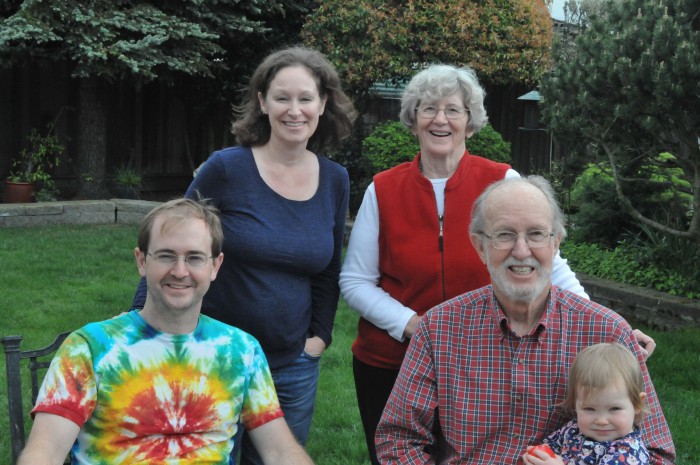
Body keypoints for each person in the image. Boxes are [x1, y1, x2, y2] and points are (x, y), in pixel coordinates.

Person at [339, 63, 656, 465]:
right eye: (428, 108)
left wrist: (613, 329)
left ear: (470, 122)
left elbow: (545, 260)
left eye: (453, 110)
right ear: (412, 118)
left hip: (481, 355)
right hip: (389, 358)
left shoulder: (502, 180)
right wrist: (414, 326)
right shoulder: (383, 188)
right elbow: (355, 281)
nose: (441, 119)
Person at [131, 46, 356, 465]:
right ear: (262, 102)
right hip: (211, 357)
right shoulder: (227, 168)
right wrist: (140, 329)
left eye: (305, 98)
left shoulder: (335, 180)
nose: (294, 110)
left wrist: (318, 341)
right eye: (282, 97)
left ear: (323, 104)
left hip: (292, 364)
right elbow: (171, 244)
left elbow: (327, 271)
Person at [374, 176, 675, 465]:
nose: (521, 251)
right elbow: (399, 438)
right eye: (504, 234)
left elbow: (656, 453)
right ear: (480, 246)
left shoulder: (607, 332)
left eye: (536, 234)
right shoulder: (440, 328)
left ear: (555, 242)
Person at [17, 198, 315, 465]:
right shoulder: (89, 348)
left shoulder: (241, 349)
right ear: (141, 261)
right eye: (166, 255)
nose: (181, 271)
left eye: (195, 257)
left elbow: (280, 451)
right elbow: (46, 451)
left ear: (215, 266)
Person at [523, 343, 651, 465]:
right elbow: (551, 445)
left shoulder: (628, 453)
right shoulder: (573, 430)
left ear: (637, 404)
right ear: (575, 405)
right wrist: (538, 455)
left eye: (614, 408)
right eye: (589, 408)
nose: (601, 421)